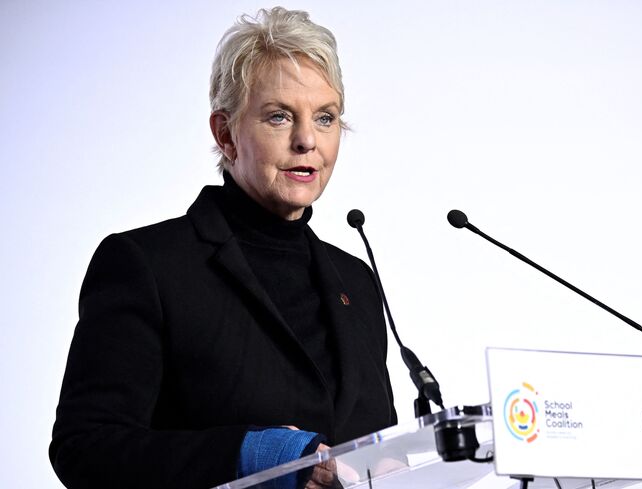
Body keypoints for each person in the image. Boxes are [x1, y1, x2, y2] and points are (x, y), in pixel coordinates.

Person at [49, 8, 397, 489]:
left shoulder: (355, 280)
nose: (306, 141)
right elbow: (85, 448)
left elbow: (374, 451)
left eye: (325, 117)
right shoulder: (147, 265)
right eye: (279, 116)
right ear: (226, 134)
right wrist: (250, 455)